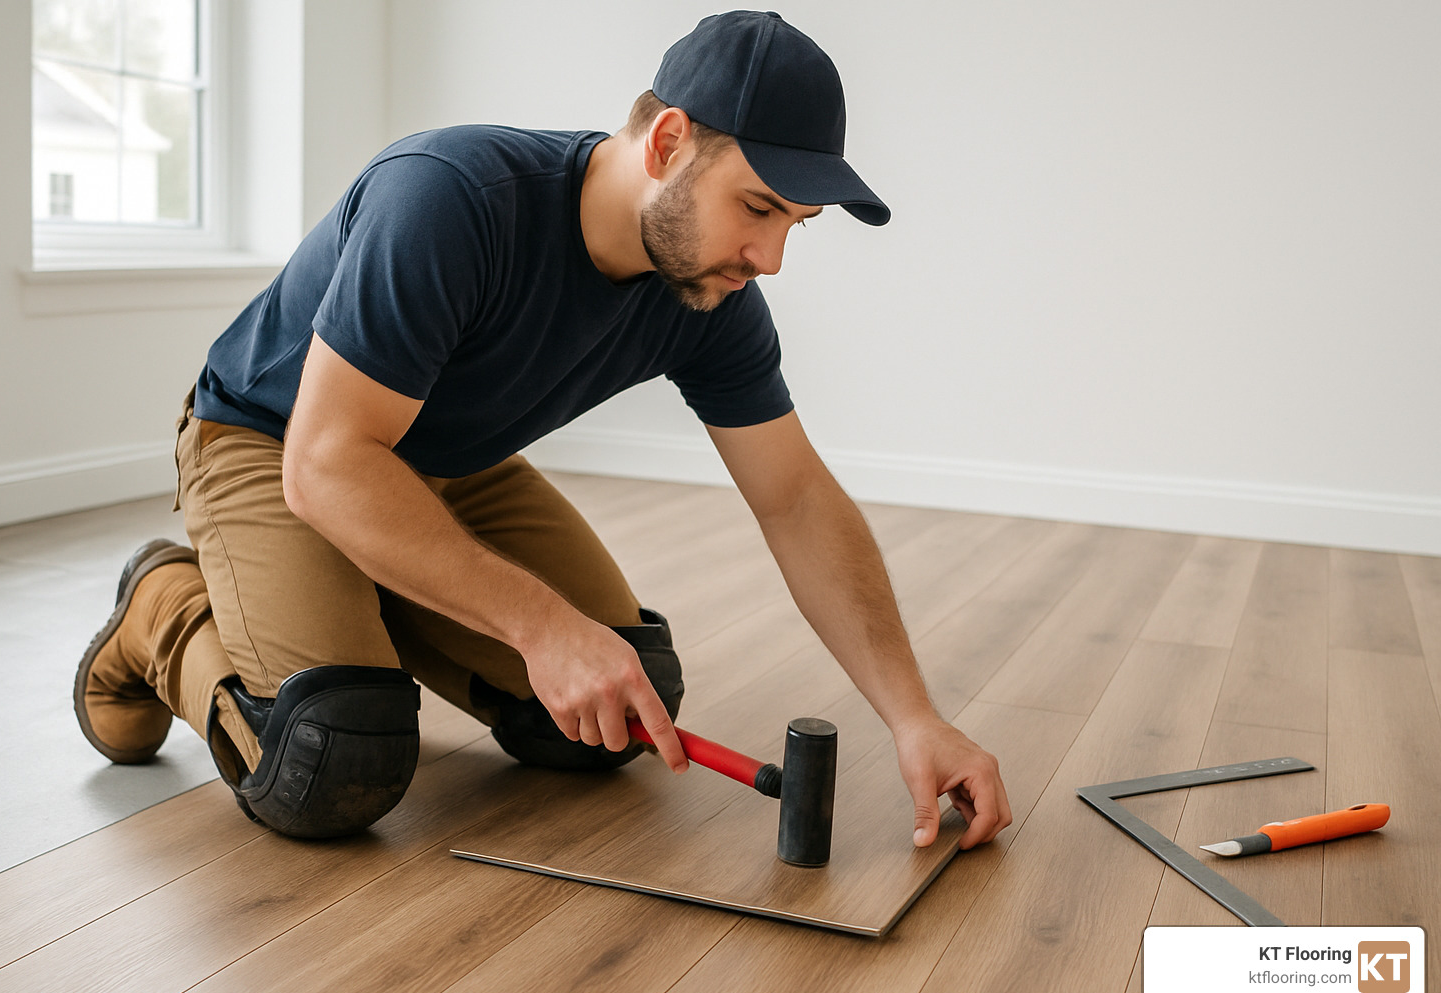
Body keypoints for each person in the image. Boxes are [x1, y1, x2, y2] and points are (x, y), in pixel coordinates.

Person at [75, 10, 1013, 847]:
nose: (768, 258)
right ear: (669, 142)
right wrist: (537, 623)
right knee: (333, 759)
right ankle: (164, 606)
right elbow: (326, 466)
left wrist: (914, 717)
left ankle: (364, 591)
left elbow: (797, 499)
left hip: (441, 464)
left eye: (794, 225)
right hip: (277, 443)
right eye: (758, 208)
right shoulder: (447, 199)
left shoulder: (712, 300)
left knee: (619, 711)